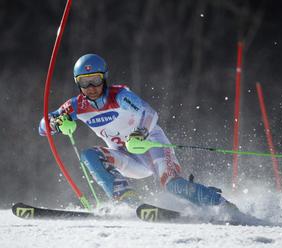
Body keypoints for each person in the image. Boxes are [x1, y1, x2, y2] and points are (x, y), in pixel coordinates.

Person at [39, 53, 236, 210]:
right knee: (88, 155)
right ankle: (126, 200)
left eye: (96, 80)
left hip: (151, 146)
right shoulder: (76, 105)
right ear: (77, 82)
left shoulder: (120, 95)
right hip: (128, 159)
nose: (91, 88)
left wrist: (140, 133)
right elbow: (42, 126)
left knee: (172, 185)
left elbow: (149, 113)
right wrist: (55, 123)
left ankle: (222, 205)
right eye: (84, 82)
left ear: (104, 78)